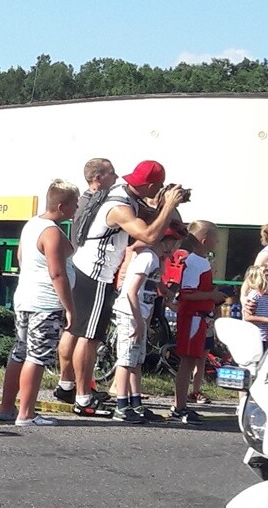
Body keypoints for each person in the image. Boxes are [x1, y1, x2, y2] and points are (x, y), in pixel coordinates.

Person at [67, 159, 186, 417]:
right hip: (95, 272)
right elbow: (151, 236)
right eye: (159, 186)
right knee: (88, 338)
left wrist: (165, 204)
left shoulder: (127, 196)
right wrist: (170, 207)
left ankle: (78, 391)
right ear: (151, 184)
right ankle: (82, 398)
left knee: (90, 336)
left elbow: (151, 221)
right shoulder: (120, 206)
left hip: (95, 271)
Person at [0, 179, 79, 427]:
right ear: (62, 206)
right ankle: (27, 413)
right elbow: (57, 273)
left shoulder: (32, 224)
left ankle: (6, 407)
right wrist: (69, 307)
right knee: (37, 356)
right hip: (45, 302)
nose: (76, 210)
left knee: (20, 352)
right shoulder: (51, 232)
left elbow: (21, 256)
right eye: (74, 205)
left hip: (25, 298)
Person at [54, 157, 117, 404]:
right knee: (88, 335)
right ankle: (83, 393)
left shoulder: (83, 201)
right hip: (92, 268)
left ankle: (66, 383)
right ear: (97, 178)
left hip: (77, 265)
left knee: (73, 328)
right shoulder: (98, 200)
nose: (116, 178)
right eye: (111, 173)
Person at [111, 227, 182, 424]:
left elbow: (151, 290)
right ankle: (121, 405)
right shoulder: (147, 258)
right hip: (130, 313)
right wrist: (138, 321)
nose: (175, 248)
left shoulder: (157, 261)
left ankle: (136, 402)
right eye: (173, 242)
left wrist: (148, 317)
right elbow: (131, 291)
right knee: (126, 359)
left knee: (137, 360)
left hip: (141, 314)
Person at [169, 221, 227, 424]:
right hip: (192, 316)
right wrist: (212, 294)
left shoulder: (199, 262)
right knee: (187, 362)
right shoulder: (196, 263)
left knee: (192, 360)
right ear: (205, 240)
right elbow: (188, 293)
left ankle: (182, 404)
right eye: (216, 238)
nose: (218, 242)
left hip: (198, 317)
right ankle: (179, 406)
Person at [240, 264, 268, 343]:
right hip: (253, 338)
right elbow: (247, 317)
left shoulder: (267, 297)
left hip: (263, 337)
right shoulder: (254, 296)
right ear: (265, 280)